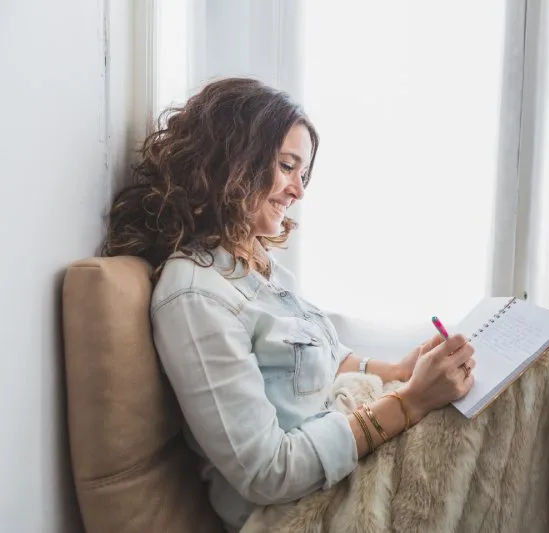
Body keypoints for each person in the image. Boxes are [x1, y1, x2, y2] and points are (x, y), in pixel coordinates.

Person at [103, 77, 476, 532]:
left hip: (346, 463)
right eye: (286, 166)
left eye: (303, 174)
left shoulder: (258, 268)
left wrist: (397, 371)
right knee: (546, 381)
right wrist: (411, 401)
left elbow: (318, 358)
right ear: (231, 159)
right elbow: (266, 472)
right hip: (307, 509)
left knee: (533, 374)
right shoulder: (195, 296)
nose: (298, 191)